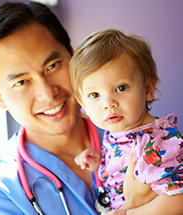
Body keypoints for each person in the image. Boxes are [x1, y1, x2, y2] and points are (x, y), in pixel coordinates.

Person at [0, 2, 107, 214]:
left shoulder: (133, 135)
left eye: (52, 66)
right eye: (21, 82)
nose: (47, 93)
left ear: (74, 57)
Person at [69, 28, 183, 215]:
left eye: (121, 88)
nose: (108, 104)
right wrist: (102, 161)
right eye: (94, 95)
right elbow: (125, 166)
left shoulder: (155, 142)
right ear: (83, 103)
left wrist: (130, 213)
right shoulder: (118, 130)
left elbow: (179, 198)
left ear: (147, 88)